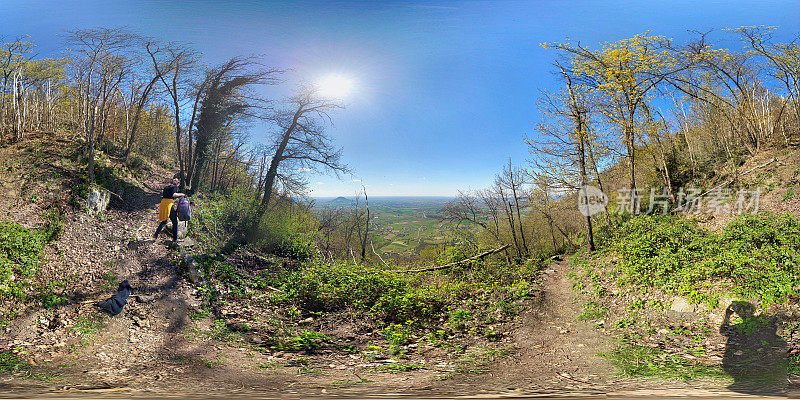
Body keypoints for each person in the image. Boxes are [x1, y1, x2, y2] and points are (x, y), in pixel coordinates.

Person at [153, 177, 185, 241]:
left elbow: (167, 195)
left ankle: (155, 235)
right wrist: (181, 194)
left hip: (163, 204)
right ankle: (175, 239)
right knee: (175, 222)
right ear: (177, 184)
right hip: (168, 205)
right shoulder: (175, 187)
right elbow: (173, 194)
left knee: (164, 221)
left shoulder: (166, 188)